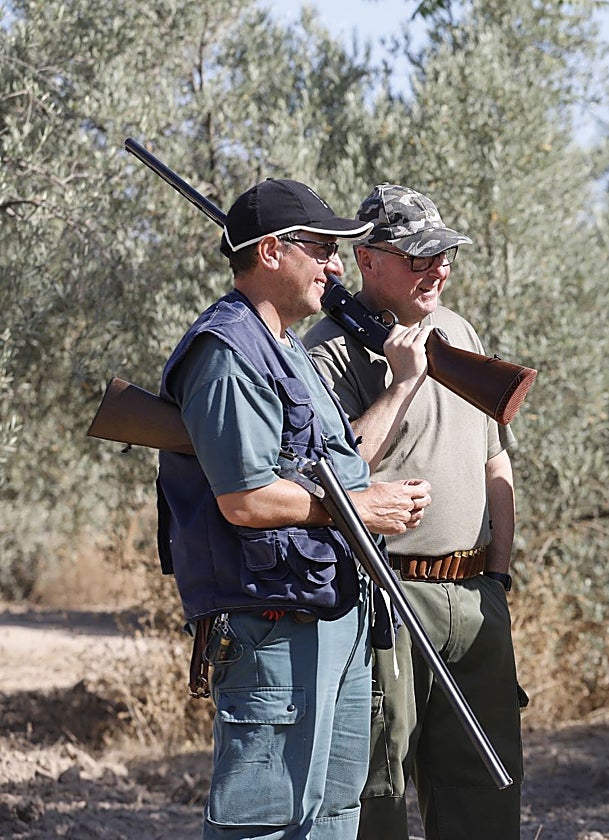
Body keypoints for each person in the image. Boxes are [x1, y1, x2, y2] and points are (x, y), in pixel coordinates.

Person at [156, 178, 433, 839]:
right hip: (273, 626)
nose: (337, 267)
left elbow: (338, 460)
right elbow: (245, 499)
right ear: (274, 252)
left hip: (330, 611)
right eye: (323, 250)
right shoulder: (227, 351)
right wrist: (358, 510)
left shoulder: (281, 343)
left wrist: (397, 398)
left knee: (334, 813)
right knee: (268, 821)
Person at [305, 184, 523, 839]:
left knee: (484, 794)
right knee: (378, 792)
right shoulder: (326, 352)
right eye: (421, 257)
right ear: (368, 262)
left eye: (445, 256)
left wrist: (499, 576)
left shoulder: (456, 332)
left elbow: (495, 459)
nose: (441, 270)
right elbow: (336, 477)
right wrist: (400, 382)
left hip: (474, 594)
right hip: (385, 597)